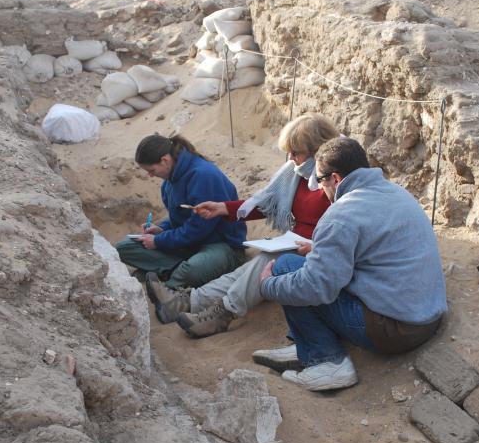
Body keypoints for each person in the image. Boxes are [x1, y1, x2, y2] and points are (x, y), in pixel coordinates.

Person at [255, 137, 447, 391]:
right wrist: (322, 249)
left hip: (396, 330)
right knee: (305, 264)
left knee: (286, 267)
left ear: (335, 179)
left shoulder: (341, 215)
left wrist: (267, 286)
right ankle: (305, 344)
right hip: (427, 316)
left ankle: (327, 361)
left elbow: (315, 288)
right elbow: (376, 248)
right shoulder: (397, 192)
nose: (320, 188)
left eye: (319, 181)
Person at [145, 114, 339, 336]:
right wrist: (223, 208)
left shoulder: (332, 180)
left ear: (317, 149)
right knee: (244, 271)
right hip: (294, 242)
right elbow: (267, 204)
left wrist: (315, 246)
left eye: (297, 153)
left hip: (317, 249)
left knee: (266, 262)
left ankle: (223, 313)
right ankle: (188, 301)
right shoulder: (297, 173)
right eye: (289, 152)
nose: (291, 158)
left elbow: (341, 225)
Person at [115, 133, 246, 290]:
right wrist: (162, 229)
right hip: (190, 245)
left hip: (222, 247)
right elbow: (180, 219)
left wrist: (159, 241)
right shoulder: (169, 182)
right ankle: (172, 270)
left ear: (165, 160)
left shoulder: (203, 176)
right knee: (123, 248)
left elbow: (198, 229)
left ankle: (169, 280)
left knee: (193, 271)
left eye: (151, 170)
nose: (150, 176)